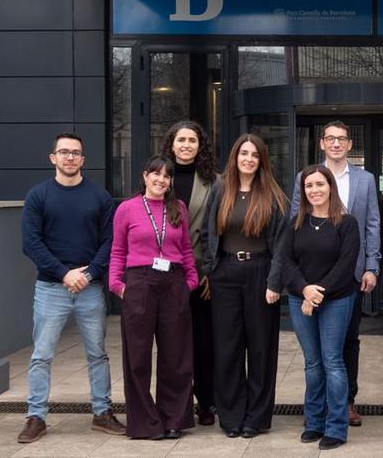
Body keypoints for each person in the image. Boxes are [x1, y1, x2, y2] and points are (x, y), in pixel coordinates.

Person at [18, 133, 126, 444]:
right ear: (52, 157)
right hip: (51, 288)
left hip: (90, 288)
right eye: (64, 152)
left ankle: (102, 413)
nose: (70, 158)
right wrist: (65, 274)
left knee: (98, 355)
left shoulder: (99, 197)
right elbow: (31, 244)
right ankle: (36, 416)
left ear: (83, 159)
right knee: (41, 355)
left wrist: (90, 272)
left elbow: (110, 241)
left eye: (76, 153)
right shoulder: (38, 196)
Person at [290, 120, 381, 427]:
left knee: (348, 342)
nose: (336, 144)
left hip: (349, 274)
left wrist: (371, 265)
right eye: (331, 139)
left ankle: (347, 402)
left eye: (342, 139)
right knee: (316, 353)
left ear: (350, 144)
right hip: (309, 274)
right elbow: (295, 220)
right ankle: (317, 408)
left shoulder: (365, 179)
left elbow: (372, 223)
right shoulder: (306, 177)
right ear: (322, 143)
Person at [201, 133, 289, 438]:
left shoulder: (273, 195)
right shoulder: (220, 189)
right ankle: (231, 415)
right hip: (225, 273)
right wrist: (211, 270)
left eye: (254, 155)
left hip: (261, 273)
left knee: (261, 348)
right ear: (235, 157)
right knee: (227, 348)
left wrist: (274, 282)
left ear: (261, 160)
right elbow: (207, 232)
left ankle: (257, 417)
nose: (249, 159)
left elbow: (282, 245)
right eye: (244, 153)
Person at [109, 156, 199, 440]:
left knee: (176, 357)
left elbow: (185, 249)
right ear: (145, 176)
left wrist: (190, 282)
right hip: (139, 283)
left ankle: (173, 419)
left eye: (167, 176)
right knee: (137, 357)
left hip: (173, 283)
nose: (161, 180)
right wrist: (116, 284)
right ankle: (144, 423)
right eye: (156, 174)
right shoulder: (127, 208)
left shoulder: (178, 208)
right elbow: (118, 251)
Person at [275, 164, 361, 450]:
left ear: (330, 188)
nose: (314, 190)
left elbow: (346, 265)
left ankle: (336, 427)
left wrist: (318, 293)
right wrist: (304, 290)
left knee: (333, 362)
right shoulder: (296, 223)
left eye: (320, 185)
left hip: (336, 300)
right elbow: (286, 261)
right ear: (303, 191)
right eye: (309, 186)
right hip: (302, 298)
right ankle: (314, 422)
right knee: (312, 364)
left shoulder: (347, 223)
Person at [159, 120, 219, 427]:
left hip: (201, 273)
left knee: (204, 342)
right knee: (172, 344)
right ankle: (175, 406)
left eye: (192, 140)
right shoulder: (158, 178)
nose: (186, 145)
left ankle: (206, 402)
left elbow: (218, 230)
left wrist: (208, 271)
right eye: (180, 139)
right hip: (165, 275)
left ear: (200, 146)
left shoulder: (215, 182)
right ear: (171, 144)